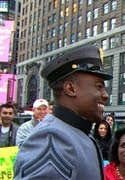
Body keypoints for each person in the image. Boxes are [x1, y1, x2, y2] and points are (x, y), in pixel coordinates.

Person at [14, 45, 112, 179]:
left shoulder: (75, 133)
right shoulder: (51, 139)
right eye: (99, 87)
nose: (105, 95)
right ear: (70, 89)